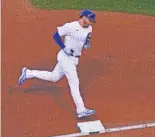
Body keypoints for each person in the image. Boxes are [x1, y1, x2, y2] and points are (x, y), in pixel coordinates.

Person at [18, 9, 96, 118]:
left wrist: (87, 43)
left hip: (74, 59)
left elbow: (87, 38)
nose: (91, 22)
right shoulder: (70, 26)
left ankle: (28, 73)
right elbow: (55, 35)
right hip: (66, 58)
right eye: (90, 19)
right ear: (84, 17)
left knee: (53, 77)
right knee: (74, 82)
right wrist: (64, 48)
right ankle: (81, 109)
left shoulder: (89, 28)